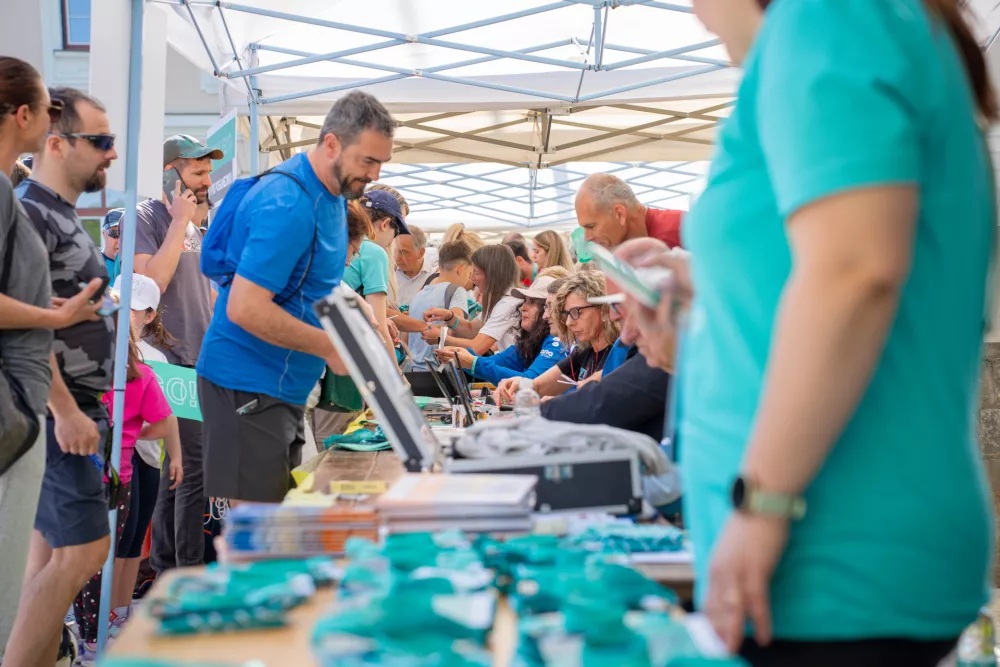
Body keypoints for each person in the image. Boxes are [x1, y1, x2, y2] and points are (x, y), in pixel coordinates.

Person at [616, 1, 997, 664]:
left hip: (834, 556)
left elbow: (855, 271)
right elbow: (827, 265)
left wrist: (763, 502)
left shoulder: (828, 18)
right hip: (836, 560)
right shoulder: (855, 23)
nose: (696, 13)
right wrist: (699, 283)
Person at [196, 90, 394, 503]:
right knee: (259, 532)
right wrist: (330, 345)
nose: (374, 174)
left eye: (381, 163)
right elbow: (245, 307)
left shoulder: (336, 201)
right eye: (367, 161)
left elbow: (316, 289)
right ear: (332, 144)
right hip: (246, 385)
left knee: (279, 522)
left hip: (282, 388)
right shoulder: (287, 203)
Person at [5, 86, 119, 667]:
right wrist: (65, 410)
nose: (111, 154)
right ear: (56, 142)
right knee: (86, 550)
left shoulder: (56, 213)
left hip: (70, 408)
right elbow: (27, 324)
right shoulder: (32, 213)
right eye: (100, 141)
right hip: (59, 411)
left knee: (47, 558)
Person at [133, 134, 220, 573]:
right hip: (168, 359)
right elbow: (152, 283)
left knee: (181, 468)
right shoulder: (148, 216)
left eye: (208, 171)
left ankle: (166, 565)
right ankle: (184, 572)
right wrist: (177, 221)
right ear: (171, 173)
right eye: (198, 172)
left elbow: (203, 292)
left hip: (199, 358)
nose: (208, 180)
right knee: (192, 470)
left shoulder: (192, 226)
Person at [74, 322, 175, 661]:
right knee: (102, 557)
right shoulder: (141, 375)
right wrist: (131, 434)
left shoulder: (75, 373)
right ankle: (93, 635)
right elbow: (163, 421)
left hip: (78, 479)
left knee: (77, 559)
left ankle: (86, 633)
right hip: (119, 480)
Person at [108, 273, 183, 637]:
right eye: (121, 305)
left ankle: (120, 613)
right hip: (120, 461)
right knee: (118, 543)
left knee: (135, 541)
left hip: (150, 458)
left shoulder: (156, 358)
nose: (128, 316)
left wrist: (178, 456)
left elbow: (169, 417)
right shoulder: (102, 350)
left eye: (135, 310)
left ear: (151, 315)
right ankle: (108, 616)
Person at [495, 271, 619, 401]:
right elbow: (537, 386)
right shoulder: (584, 351)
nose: (568, 322)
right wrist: (518, 383)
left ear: (603, 309)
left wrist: (557, 404)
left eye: (576, 312)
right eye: (567, 314)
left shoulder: (622, 353)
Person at [438, 275, 565, 384]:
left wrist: (471, 361)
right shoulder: (531, 343)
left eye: (532, 302)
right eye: (524, 301)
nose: (523, 307)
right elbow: (492, 363)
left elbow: (530, 382)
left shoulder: (556, 343)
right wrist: (459, 356)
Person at [421, 244, 522, 355]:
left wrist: (442, 338)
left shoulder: (507, 305)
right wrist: (449, 316)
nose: (472, 278)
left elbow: (477, 347)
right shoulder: (501, 301)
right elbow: (472, 329)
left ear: (492, 274)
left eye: (476, 272)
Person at [344, 189, 409, 361]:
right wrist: (398, 378)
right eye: (396, 232)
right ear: (385, 223)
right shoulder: (375, 252)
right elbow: (379, 327)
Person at [405, 241, 474, 372]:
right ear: (460, 269)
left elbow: (406, 336)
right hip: (439, 373)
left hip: (414, 370)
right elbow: (458, 328)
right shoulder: (456, 290)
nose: (469, 278)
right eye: (469, 273)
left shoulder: (419, 294)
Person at [576, 173, 682, 249]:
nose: (587, 238)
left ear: (619, 214)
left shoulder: (680, 228)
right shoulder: (624, 255)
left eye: (591, 226)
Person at [394, 224, 432, 308]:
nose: (396, 258)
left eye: (403, 252)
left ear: (421, 253)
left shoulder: (434, 277)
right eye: (394, 250)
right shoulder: (387, 274)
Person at [101, 208, 123, 282]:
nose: (120, 241)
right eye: (115, 233)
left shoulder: (140, 266)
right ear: (104, 234)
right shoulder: (93, 266)